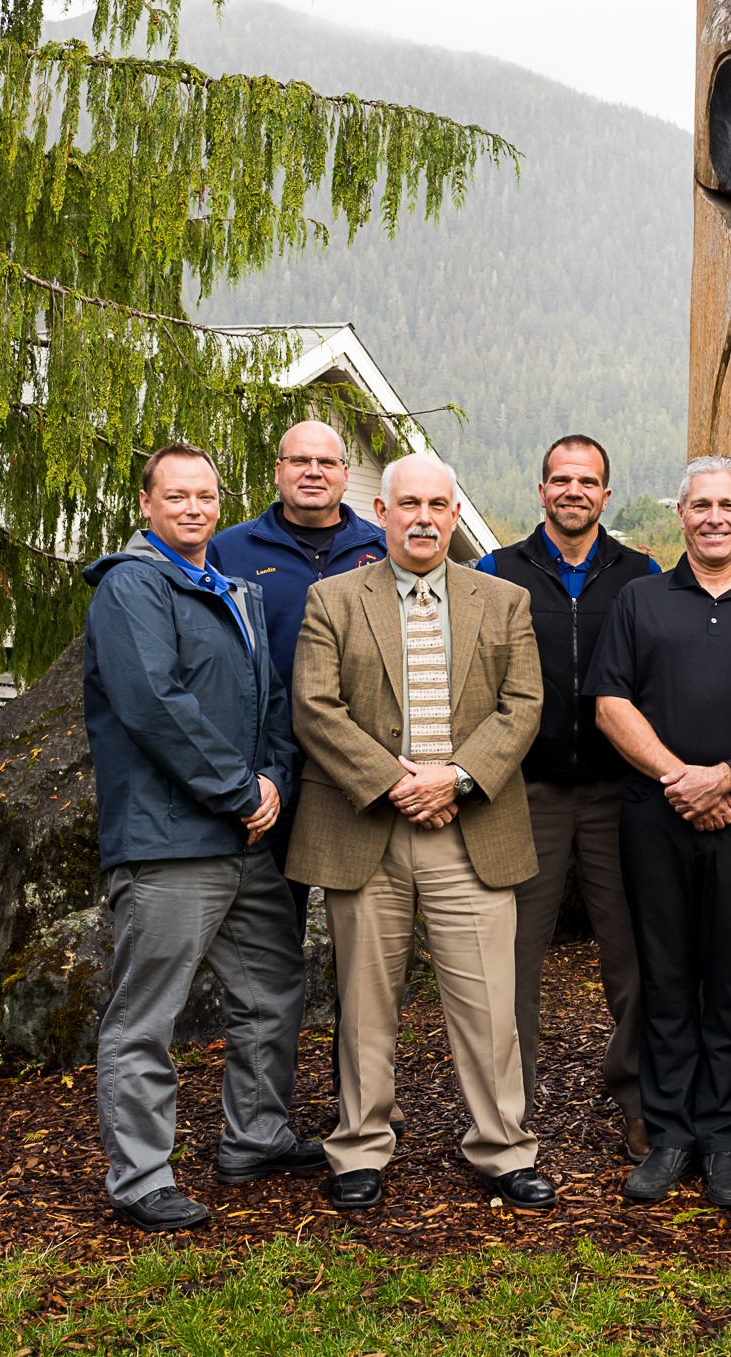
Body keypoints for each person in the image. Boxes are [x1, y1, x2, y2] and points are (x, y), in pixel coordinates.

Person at [289, 455, 554, 1212]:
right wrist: (397, 783)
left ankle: (503, 1148)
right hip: (366, 825)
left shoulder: (502, 600)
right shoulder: (333, 599)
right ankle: (359, 1146)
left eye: (439, 504)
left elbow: (523, 706)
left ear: (454, 511)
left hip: (472, 830)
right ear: (381, 510)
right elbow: (316, 707)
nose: (425, 518)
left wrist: (456, 778)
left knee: (488, 1007)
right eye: (409, 504)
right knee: (366, 1004)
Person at [82, 442, 321, 1232]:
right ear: (146, 504)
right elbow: (155, 704)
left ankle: (255, 1136)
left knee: (273, 986)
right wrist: (239, 791)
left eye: (206, 495)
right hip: (170, 842)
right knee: (147, 1015)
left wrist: (274, 780)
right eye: (176, 495)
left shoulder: (232, 590)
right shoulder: (130, 586)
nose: (193, 507)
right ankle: (141, 1178)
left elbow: (272, 701)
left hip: (245, 839)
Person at [589, 456, 731, 1210]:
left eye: (728, 505)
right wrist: (683, 778)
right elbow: (610, 703)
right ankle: (671, 1134)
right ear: (680, 514)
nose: (714, 517)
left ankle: (725, 1141)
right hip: (656, 816)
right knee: (666, 978)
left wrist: (728, 777)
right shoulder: (641, 600)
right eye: (700, 504)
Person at [478, 434, 662, 1161]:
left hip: (621, 792)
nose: (573, 491)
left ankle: (641, 1103)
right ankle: (507, 1113)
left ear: (606, 495)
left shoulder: (641, 574)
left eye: (587, 481)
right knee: (513, 959)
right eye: (561, 480)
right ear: (542, 490)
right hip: (529, 793)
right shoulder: (497, 571)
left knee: (633, 956)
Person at [210, 421, 394, 1125]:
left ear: (347, 474)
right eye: (300, 460)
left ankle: (362, 1104)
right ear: (278, 471)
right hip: (271, 781)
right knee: (270, 956)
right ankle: (266, 1115)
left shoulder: (380, 546)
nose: (313, 472)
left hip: (362, 777)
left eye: (327, 461)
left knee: (366, 957)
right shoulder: (230, 551)